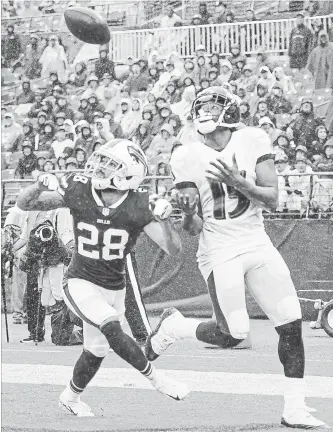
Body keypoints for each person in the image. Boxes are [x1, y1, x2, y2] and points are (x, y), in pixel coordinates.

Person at [145, 87, 327, 429]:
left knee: (290, 324)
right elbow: (193, 228)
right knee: (233, 334)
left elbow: (272, 199)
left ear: (230, 112)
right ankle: (175, 326)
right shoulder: (185, 156)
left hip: (256, 241)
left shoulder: (253, 139)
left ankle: (294, 407)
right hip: (219, 249)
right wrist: (185, 213)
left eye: (213, 105)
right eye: (202, 106)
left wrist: (238, 181)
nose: (206, 112)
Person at [17, 139, 189, 415]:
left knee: (95, 352)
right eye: (102, 160)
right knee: (111, 327)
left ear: (129, 173)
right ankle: (158, 380)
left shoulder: (138, 204)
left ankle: (70, 397)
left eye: (110, 164)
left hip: (114, 286)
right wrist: (38, 184)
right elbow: (24, 203)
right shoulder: (80, 189)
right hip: (79, 281)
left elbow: (172, 248)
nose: (99, 167)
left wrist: (166, 221)